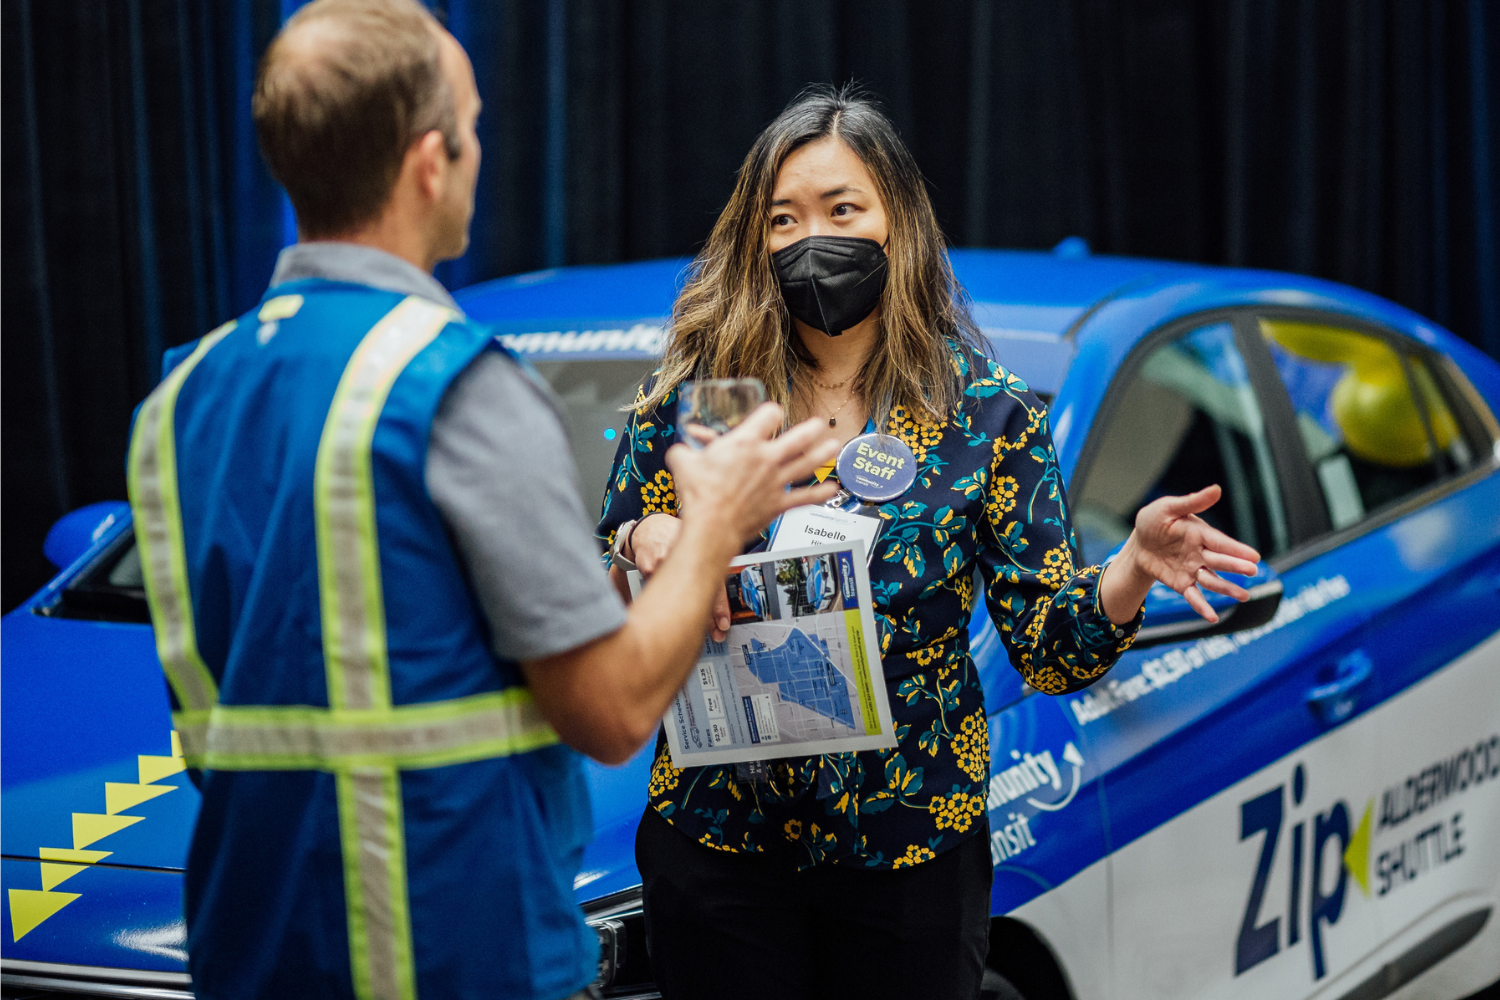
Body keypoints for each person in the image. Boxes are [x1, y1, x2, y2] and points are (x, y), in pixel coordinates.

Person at [125, 4, 838, 999]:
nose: (478, 151)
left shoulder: (179, 396)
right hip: (450, 952)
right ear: (430, 162)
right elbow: (615, 710)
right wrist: (715, 520)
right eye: (472, 126)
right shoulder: (455, 385)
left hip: (249, 953)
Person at [596, 85, 1262, 1000]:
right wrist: (646, 531)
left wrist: (1131, 568)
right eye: (783, 219)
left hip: (908, 857)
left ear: (896, 223)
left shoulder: (987, 415)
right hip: (718, 851)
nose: (810, 241)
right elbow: (600, 559)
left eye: (841, 209)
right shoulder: (692, 400)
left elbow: (1051, 648)